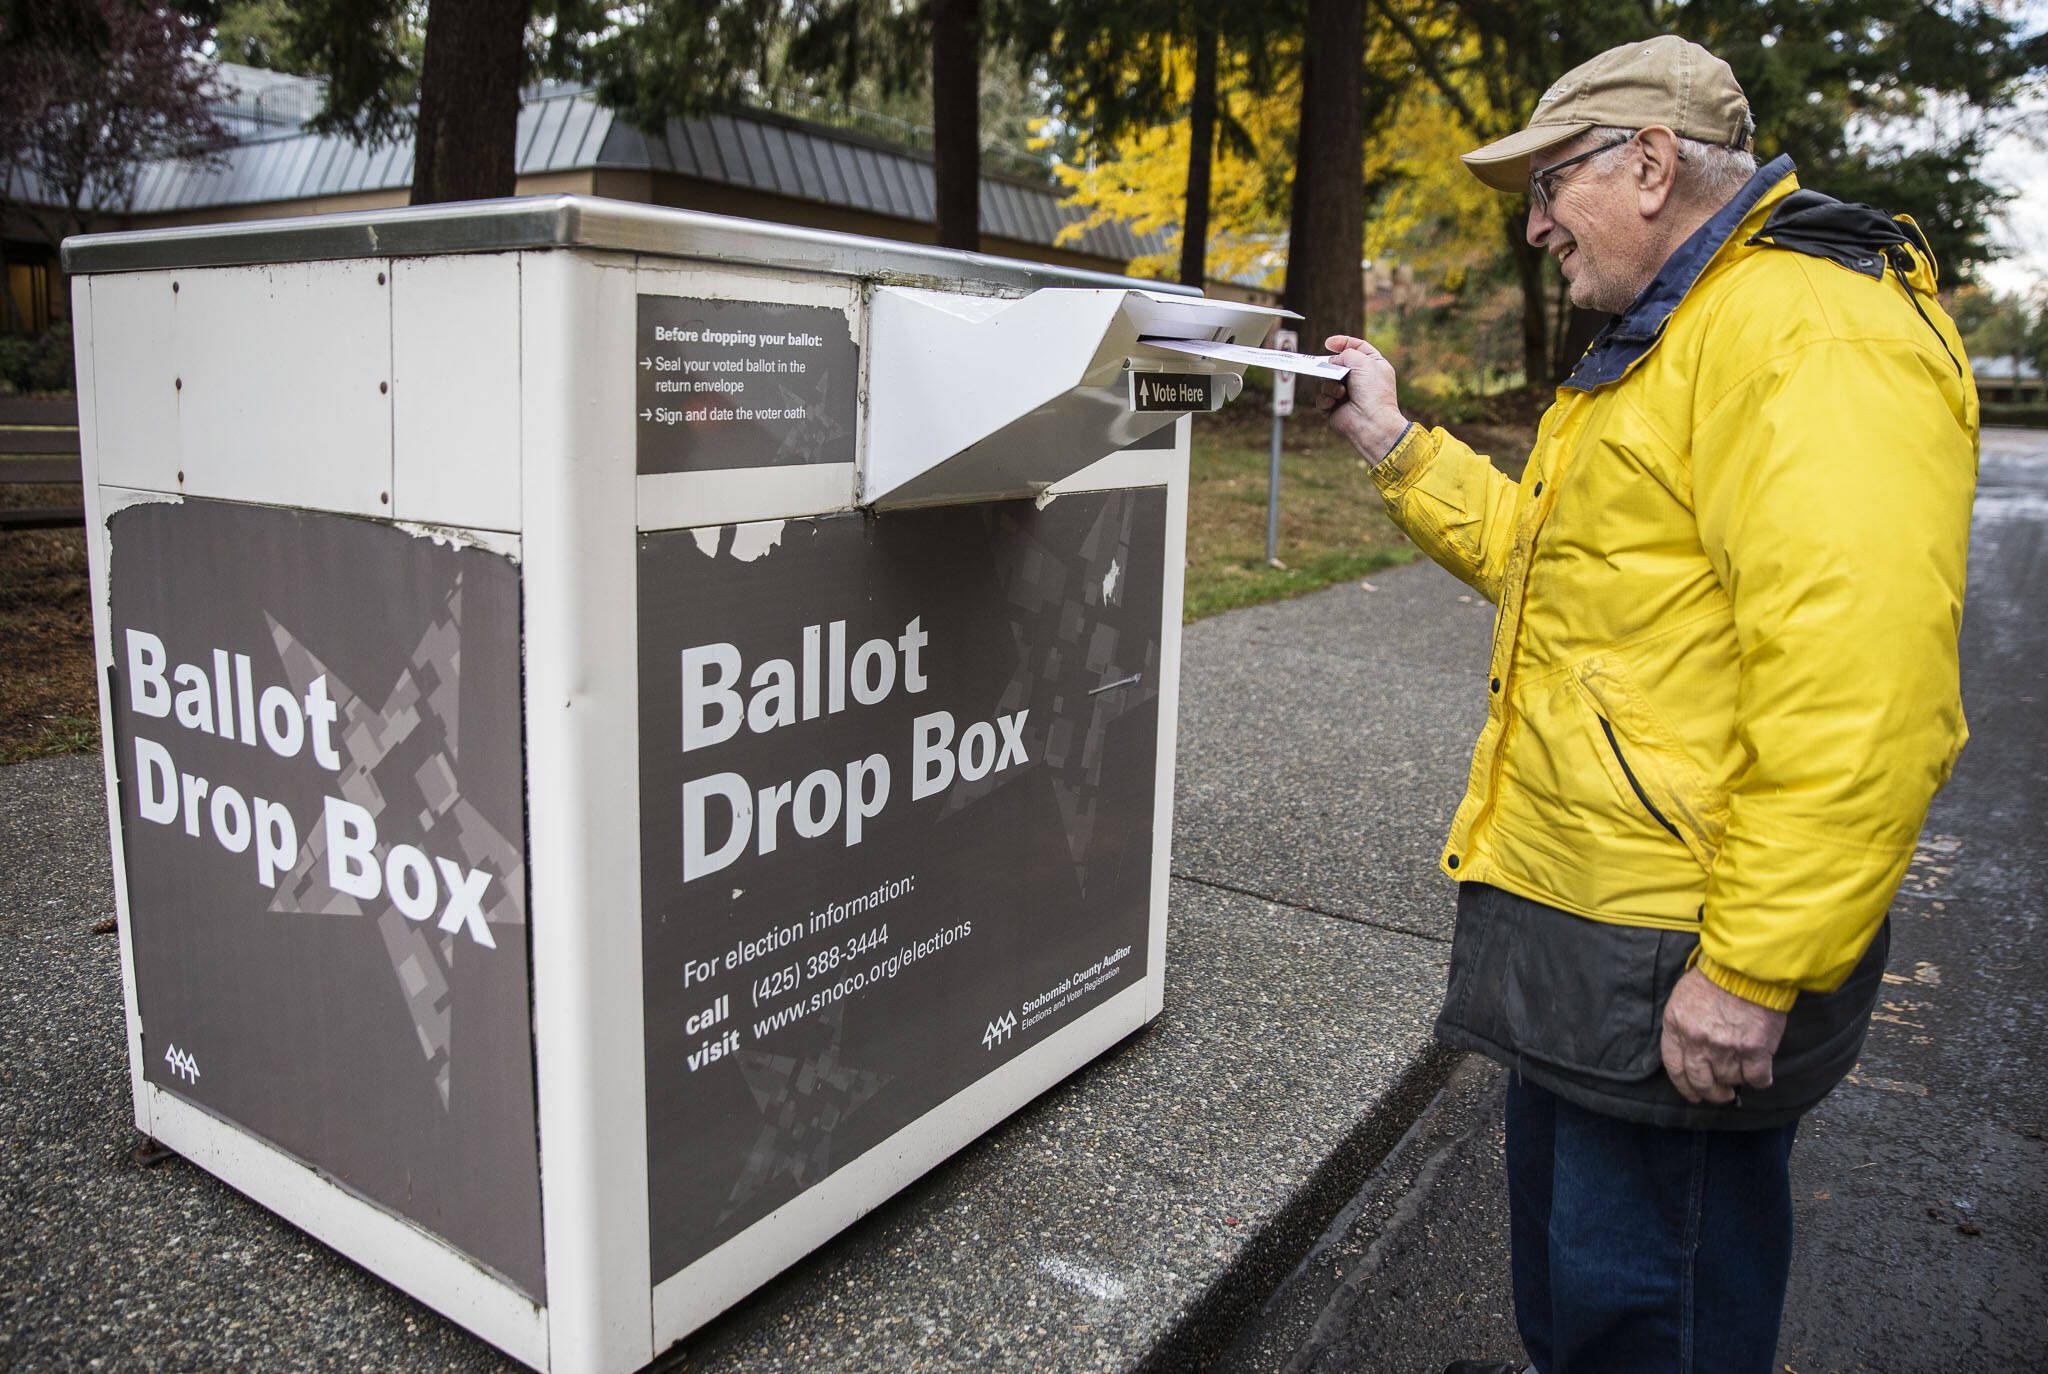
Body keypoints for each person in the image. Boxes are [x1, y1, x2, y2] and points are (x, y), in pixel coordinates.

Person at [1315, 34, 1977, 1374]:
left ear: (1653, 164)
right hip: (1596, 932)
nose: (1538, 223)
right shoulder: (1678, 329)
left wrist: (1751, 967)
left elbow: (1863, 687)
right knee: (1581, 1304)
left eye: (1552, 186)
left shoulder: (1804, 329)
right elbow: (1562, 569)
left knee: (1648, 1324)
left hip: (1682, 950)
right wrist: (1396, 444)